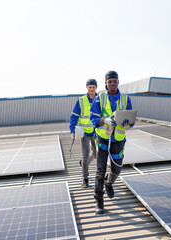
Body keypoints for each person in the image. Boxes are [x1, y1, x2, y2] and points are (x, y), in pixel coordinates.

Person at [90, 70, 134, 214]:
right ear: (106, 83)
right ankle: (99, 201)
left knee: (116, 170)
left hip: (118, 141)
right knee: (100, 172)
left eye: (115, 81)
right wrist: (105, 120)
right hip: (103, 140)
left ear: (118, 82)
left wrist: (128, 123)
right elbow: (93, 118)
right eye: (110, 82)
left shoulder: (125, 99)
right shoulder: (99, 99)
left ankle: (109, 183)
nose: (112, 83)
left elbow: (130, 122)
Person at [69, 79, 98, 188]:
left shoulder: (100, 100)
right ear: (87, 88)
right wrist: (72, 128)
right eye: (89, 87)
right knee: (85, 154)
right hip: (84, 133)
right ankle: (85, 178)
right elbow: (74, 116)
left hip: (96, 132)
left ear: (96, 88)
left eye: (93, 87)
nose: (91, 89)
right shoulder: (81, 101)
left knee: (95, 155)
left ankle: (83, 163)